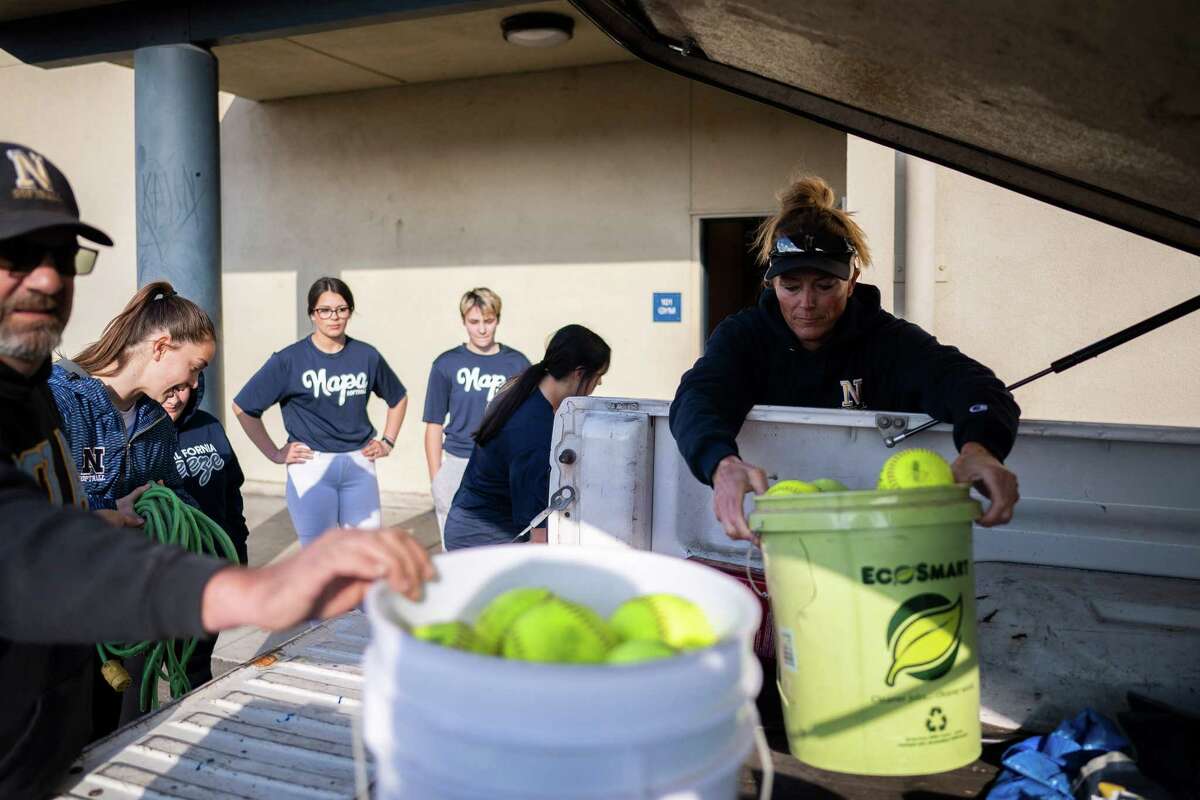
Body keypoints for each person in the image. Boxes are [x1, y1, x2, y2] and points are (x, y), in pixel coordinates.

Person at [0, 142, 433, 798]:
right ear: (163, 346)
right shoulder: (66, 394)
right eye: (16, 255)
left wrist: (116, 517)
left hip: (61, 725)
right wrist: (256, 591)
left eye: (64, 258)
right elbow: (25, 545)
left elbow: (60, 521)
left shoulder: (61, 399)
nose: (50, 279)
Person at [669, 175, 1020, 543]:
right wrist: (721, 464)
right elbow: (698, 397)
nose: (806, 303)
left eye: (824, 286)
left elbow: (974, 386)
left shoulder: (890, 340)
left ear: (852, 281)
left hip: (881, 537)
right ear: (770, 284)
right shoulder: (743, 337)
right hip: (770, 535)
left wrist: (981, 448)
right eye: (791, 287)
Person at [233, 277, 408, 547]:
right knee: (318, 555)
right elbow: (243, 407)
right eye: (324, 310)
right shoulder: (289, 360)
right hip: (311, 465)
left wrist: (387, 441)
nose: (334, 317)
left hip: (359, 464)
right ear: (312, 314)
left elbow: (398, 397)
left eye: (342, 309)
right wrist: (275, 453)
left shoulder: (366, 355)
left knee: (366, 552)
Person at [444, 324, 609, 550]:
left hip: (471, 524)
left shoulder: (523, 391)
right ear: (579, 373)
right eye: (598, 376)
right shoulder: (533, 427)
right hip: (482, 537)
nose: (599, 383)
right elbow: (538, 536)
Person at [423, 288, 529, 543]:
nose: (482, 329)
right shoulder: (446, 364)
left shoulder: (518, 364)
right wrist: (436, 478)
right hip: (457, 462)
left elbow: (526, 422)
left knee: (499, 545)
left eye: (488, 321)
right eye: (474, 322)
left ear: (498, 320)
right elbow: (434, 423)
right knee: (456, 549)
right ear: (464, 322)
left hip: (501, 467)